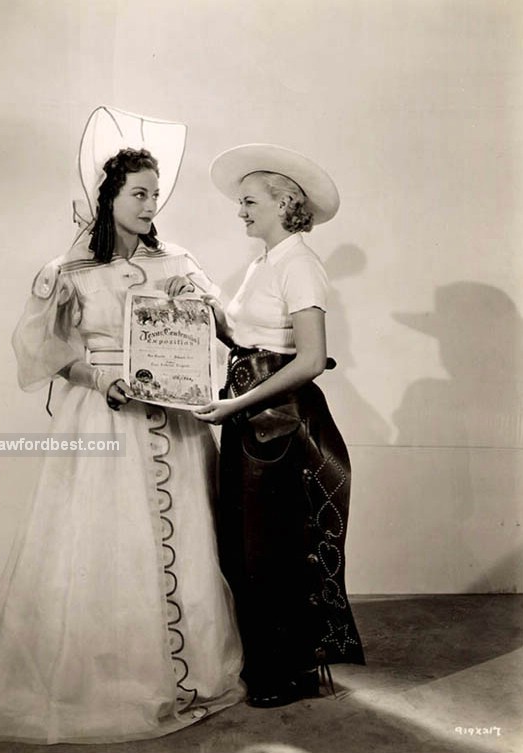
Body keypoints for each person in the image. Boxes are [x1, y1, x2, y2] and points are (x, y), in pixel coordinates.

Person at [0, 117, 244, 743]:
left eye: (155, 193)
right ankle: (106, 673)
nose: (150, 204)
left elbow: (219, 326)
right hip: (103, 419)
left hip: (173, 423)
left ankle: (185, 671)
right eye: (138, 192)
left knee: (182, 535)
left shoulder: (178, 261)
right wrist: (98, 378)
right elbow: (43, 352)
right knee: (103, 540)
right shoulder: (70, 270)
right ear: (108, 197)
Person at [194, 144, 365, 708]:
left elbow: (311, 359)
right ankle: (268, 664)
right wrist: (201, 307)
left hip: (280, 419)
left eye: (248, 202)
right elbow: (246, 338)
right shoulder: (265, 263)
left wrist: (238, 405)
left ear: (283, 201)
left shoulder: (299, 264)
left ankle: (288, 672)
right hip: (249, 411)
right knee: (247, 543)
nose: (239, 211)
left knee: (273, 546)